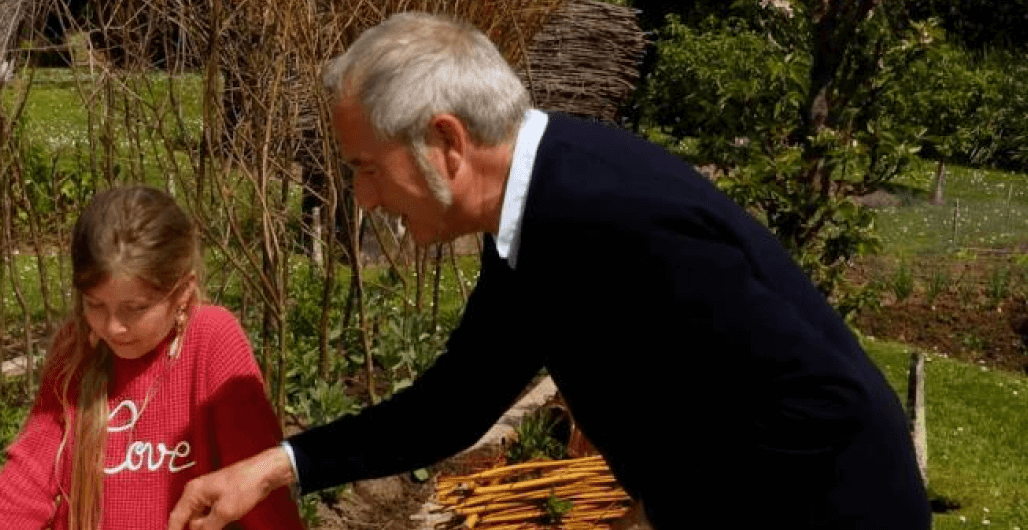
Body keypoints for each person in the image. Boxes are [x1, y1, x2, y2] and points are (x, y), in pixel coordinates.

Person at [169, 12, 929, 530]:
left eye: (367, 169)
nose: (365, 199)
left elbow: (815, 405)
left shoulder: (610, 211)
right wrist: (276, 467)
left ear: (445, 143)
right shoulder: (542, 207)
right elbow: (456, 404)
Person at [0, 186, 304, 530]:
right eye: (95, 304)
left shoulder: (213, 341)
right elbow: (26, 482)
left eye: (135, 308)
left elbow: (262, 496)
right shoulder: (76, 349)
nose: (114, 327)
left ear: (183, 292)